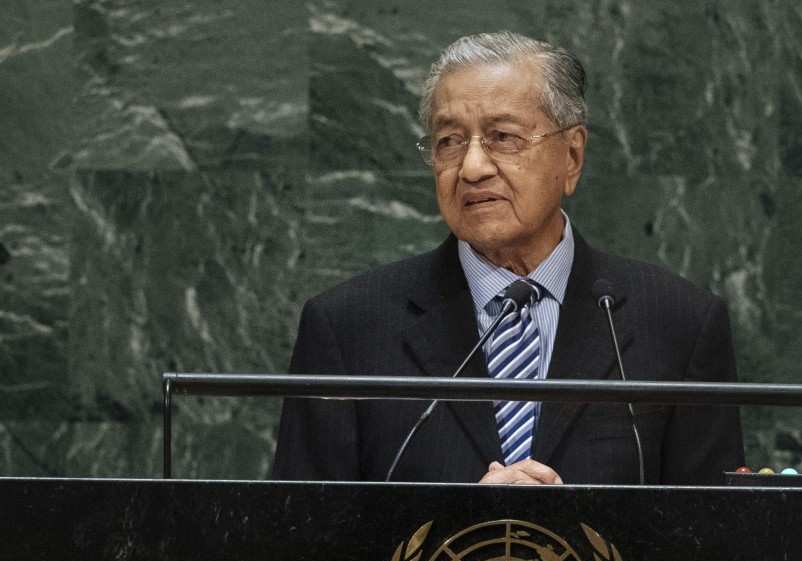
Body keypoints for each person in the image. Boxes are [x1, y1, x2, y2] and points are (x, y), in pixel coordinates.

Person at [272, 31, 744, 485]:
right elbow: (303, 544)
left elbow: (713, 546)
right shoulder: (348, 330)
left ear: (572, 157)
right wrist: (464, 532)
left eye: (502, 137)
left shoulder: (679, 326)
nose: (472, 167)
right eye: (449, 142)